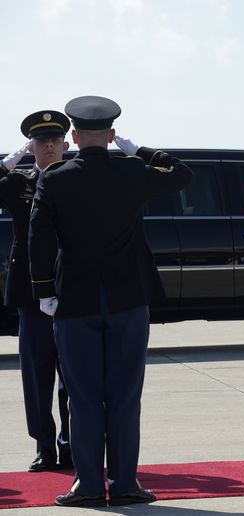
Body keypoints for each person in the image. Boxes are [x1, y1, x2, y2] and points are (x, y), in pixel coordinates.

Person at [29, 95, 193, 507]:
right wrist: (141, 151)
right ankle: (123, 484)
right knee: (123, 396)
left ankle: (86, 484)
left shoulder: (55, 177)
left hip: (75, 302)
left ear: (74, 136)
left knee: (83, 397)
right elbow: (181, 173)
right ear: (112, 136)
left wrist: (44, 292)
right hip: (127, 301)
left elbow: (39, 239)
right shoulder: (133, 172)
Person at [1, 110, 72, 472]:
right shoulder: (20, 184)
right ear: (31, 145)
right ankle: (44, 445)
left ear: (66, 143)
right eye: (40, 140)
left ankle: (70, 442)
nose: (47, 145)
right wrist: (9, 162)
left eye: (54, 139)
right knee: (37, 375)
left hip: (73, 291)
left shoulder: (79, 180)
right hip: (31, 295)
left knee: (73, 376)